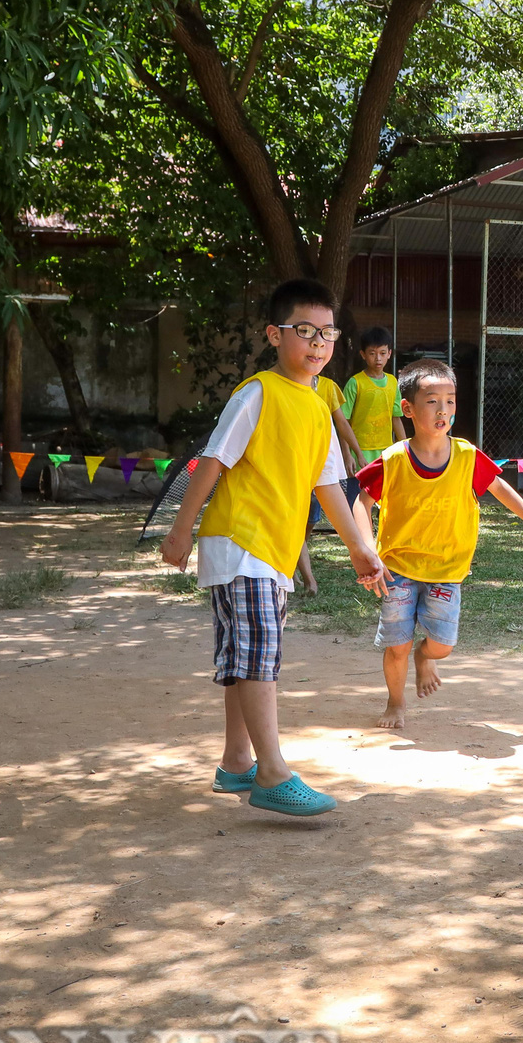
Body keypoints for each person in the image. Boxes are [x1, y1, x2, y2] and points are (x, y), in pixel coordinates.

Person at [160, 279, 387, 818]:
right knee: (260, 656)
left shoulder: (315, 406)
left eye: (327, 333)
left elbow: (329, 486)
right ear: (274, 334)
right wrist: (180, 529)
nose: (317, 343)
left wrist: (358, 546)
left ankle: (237, 761)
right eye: (304, 331)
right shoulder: (257, 392)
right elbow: (211, 461)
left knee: (247, 655)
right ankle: (271, 771)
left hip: (271, 549)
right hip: (241, 540)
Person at [356, 359, 523, 728]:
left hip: (447, 569)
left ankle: (424, 659)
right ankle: (396, 703)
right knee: (397, 646)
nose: (443, 410)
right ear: (407, 408)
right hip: (397, 569)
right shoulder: (392, 460)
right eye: (432, 401)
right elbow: (360, 502)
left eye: (451, 400)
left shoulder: (467, 456)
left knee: (442, 645)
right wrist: (364, 549)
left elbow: (500, 488)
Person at [295, 371, 362, 596]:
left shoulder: (329, 387)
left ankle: (292, 559)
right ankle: (309, 580)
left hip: (321, 467)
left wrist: (354, 453)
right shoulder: (281, 386)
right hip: (295, 466)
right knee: (296, 522)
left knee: (308, 523)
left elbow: (341, 423)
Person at [340, 327, 404, 529]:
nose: (378, 358)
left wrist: (406, 447)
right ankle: (361, 543)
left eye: (383, 353)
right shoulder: (355, 383)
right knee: (357, 502)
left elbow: (396, 418)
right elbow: (343, 422)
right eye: (372, 353)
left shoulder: (393, 382)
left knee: (388, 501)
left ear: (389, 354)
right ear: (363, 354)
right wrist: (347, 454)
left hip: (385, 451)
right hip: (359, 453)